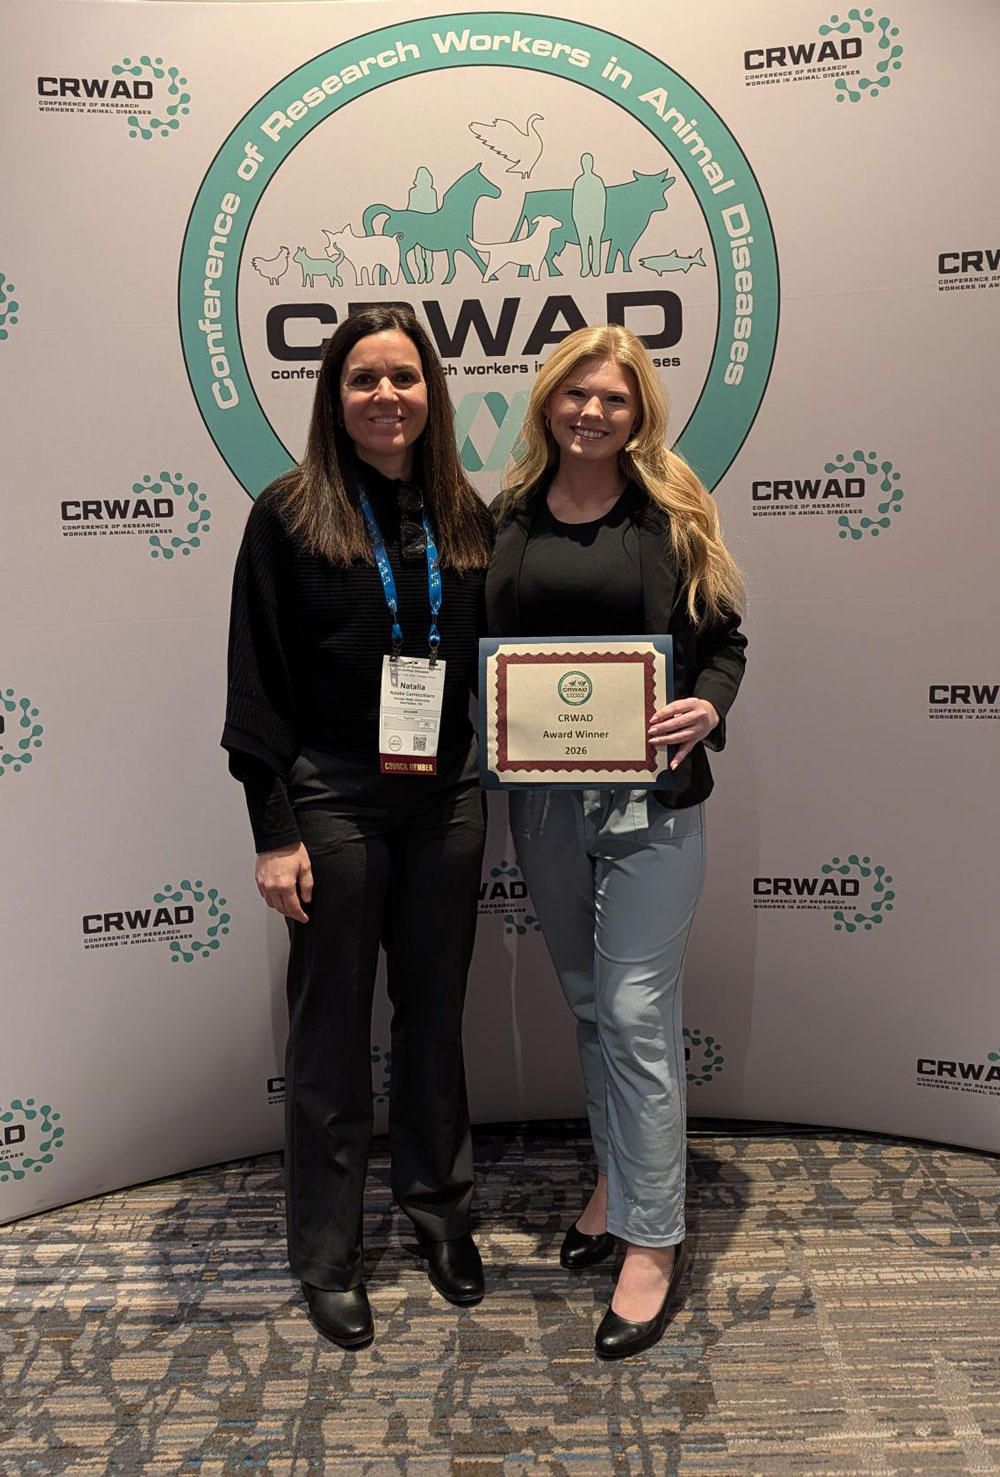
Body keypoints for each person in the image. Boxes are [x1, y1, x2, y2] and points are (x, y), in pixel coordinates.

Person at [223, 305, 494, 1349]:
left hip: (445, 798)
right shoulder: (288, 513)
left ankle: (438, 1211)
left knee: (433, 1016)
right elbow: (257, 682)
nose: (386, 394)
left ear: (432, 392)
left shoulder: (468, 513)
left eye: (404, 376)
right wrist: (274, 827)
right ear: (333, 398)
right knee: (332, 1031)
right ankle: (326, 1251)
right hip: (330, 795)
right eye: (362, 379)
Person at [485, 324, 747, 1360]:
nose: (592, 413)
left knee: (637, 1009)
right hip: (543, 801)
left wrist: (705, 705)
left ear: (640, 412)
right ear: (547, 402)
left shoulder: (672, 513)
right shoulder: (502, 520)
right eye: (576, 395)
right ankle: (614, 1177)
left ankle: (652, 1237)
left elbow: (722, 639)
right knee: (592, 1004)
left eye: (615, 399)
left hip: (652, 802)